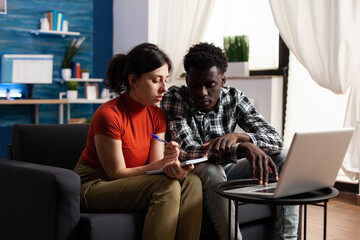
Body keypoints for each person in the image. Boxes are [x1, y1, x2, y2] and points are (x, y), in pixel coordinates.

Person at [161, 42, 299, 240]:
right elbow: (187, 151)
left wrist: (242, 137)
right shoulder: (175, 98)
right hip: (194, 173)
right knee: (211, 169)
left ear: (222, 80)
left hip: (228, 169)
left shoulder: (234, 98)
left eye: (210, 85)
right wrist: (242, 149)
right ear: (187, 80)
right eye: (195, 85)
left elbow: (275, 140)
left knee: (285, 157)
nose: (202, 92)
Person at [73, 43, 203, 240]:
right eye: (156, 80)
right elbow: (116, 174)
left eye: (166, 80)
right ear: (133, 80)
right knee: (165, 188)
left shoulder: (157, 115)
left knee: (192, 182)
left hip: (133, 182)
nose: (164, 88)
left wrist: (171, 165)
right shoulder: (109, 114)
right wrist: (161, 165)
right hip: (94, 184)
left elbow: (155, 166)